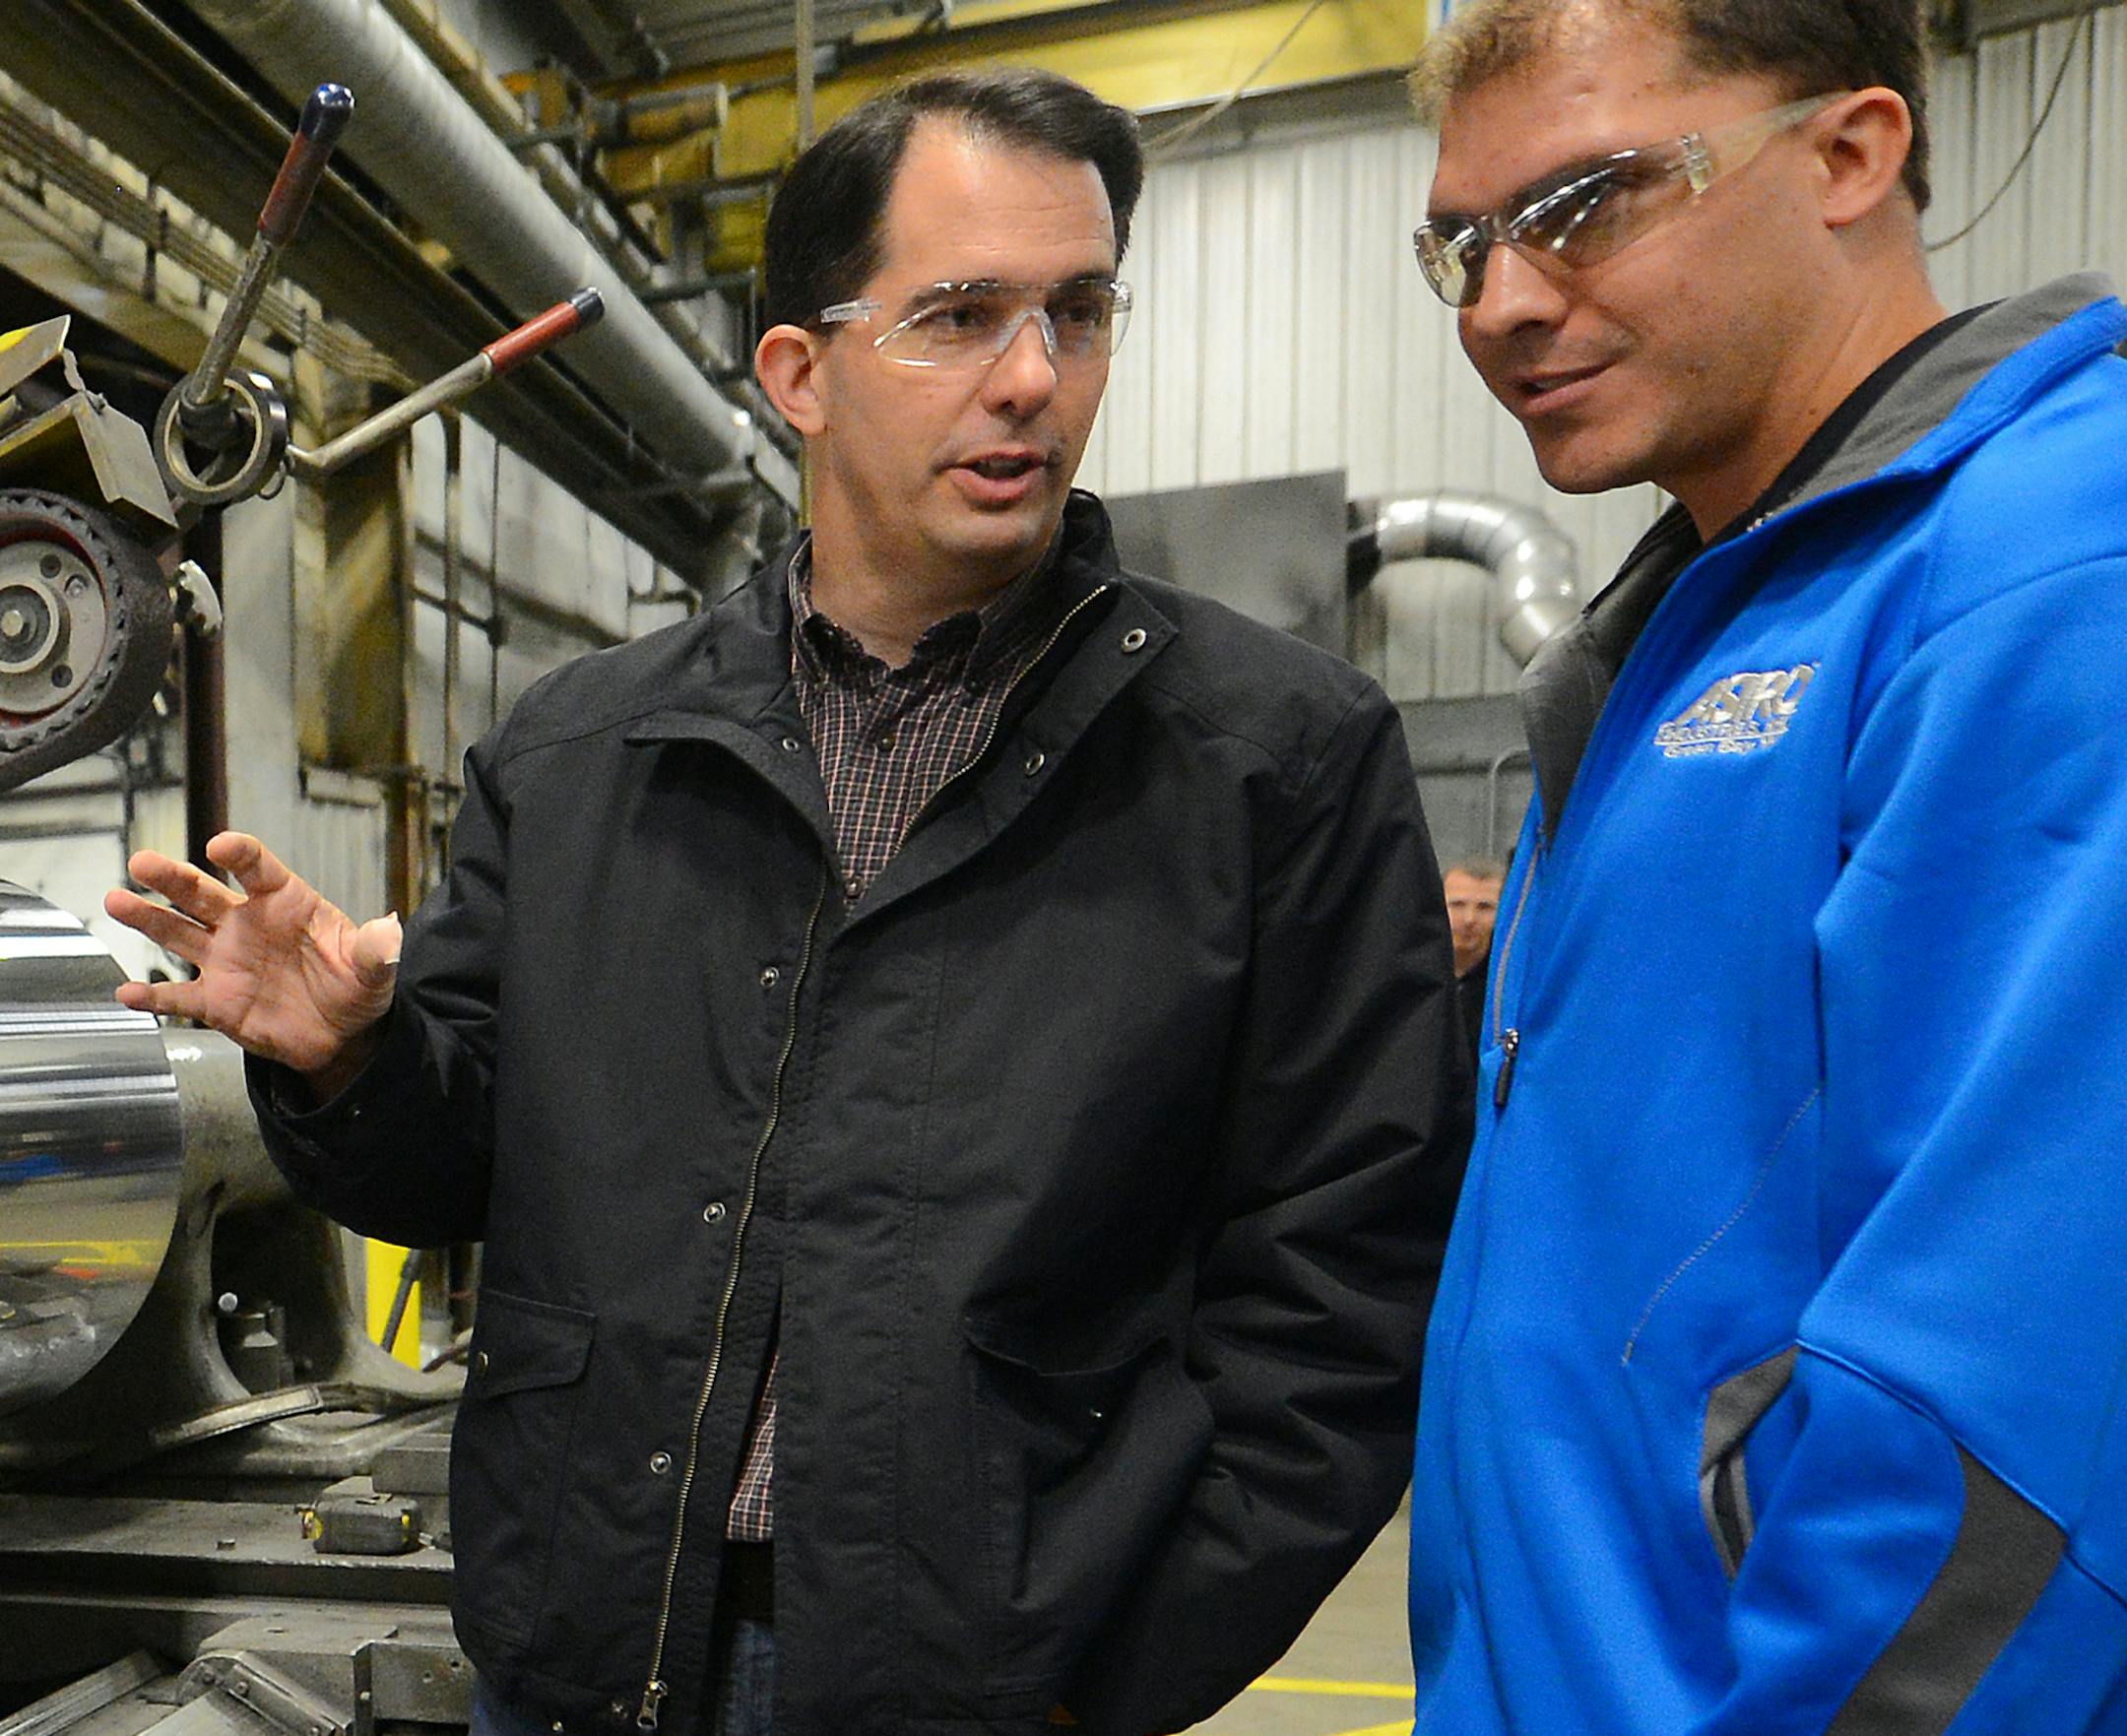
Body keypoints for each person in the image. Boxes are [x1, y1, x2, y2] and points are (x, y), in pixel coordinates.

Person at [106, 69, 1470, 1736]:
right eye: (960, 316)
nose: (1035, 378)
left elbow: (1344, 1288)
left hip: (991, 1686)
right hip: (585, 1657)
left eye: (1082, 312)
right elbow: (454, 1172)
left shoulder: (1278, 761)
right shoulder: (583, 751)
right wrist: (347, 1057)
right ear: (799, 372)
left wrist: (1109, 1665)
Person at [1401, 1, 2127, 1731]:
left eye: (1588, 203)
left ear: (1851, 155)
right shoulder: (1702, 625)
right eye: (1464, 242)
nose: (1503, 300)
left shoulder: (2048, 580)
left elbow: (2016, 1421)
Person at [1440, 857, 1504, 1065]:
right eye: (1457, 905)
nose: (1469, 919)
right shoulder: (1410, 970)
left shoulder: (1504, 985)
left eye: (1484, 907)